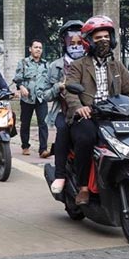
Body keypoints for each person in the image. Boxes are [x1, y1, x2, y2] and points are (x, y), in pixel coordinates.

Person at [65, 15, 129, 205]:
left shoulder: (117, 66)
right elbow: (70, 91)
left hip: (113, 116)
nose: (104, 40)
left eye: (106, 37)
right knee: (86, 138)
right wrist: (79, 108)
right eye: (98, 38)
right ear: (89, 41)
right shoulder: (78, 65)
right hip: (88, 116)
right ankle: (83, 187)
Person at [42, 20, 85, 194]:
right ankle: (60, 175)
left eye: (79, 43)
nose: (75, 46)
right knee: (63, 134)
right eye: (71, 43)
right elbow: (43, 94)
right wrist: (58, 87)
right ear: (64, 43)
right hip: (64, 111)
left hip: (91, 110)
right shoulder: (55, 66)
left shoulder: (90, 63)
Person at [14, 39, 51, 157]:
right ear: (30, 49)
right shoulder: (23, 63)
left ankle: (43, 149)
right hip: (27, 98)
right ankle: (25, 146)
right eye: (36, 47)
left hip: (41, 98)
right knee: (25, 123)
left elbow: (49, 80)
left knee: (43, 123)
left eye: (40, 48)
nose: (38, 50)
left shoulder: (46, 64)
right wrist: (21, 87)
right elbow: (18, 78)